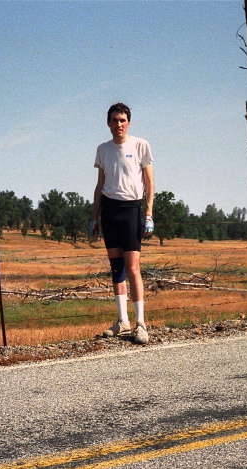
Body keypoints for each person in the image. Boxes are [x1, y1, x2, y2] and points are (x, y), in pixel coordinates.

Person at [90, 102, 154, 345]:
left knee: (133, 268)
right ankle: (122, 321)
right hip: (109, 210)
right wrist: (94, 217)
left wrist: (148, 215)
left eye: (122, 120)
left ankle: (140, 324)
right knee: (116, 268)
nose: (118, 124)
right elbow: (99, 185)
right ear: (108, 123)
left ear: (129, 122)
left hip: (131, 209)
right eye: (114, 120)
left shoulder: (140, 145)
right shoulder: (103, 150)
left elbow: (149, 183)